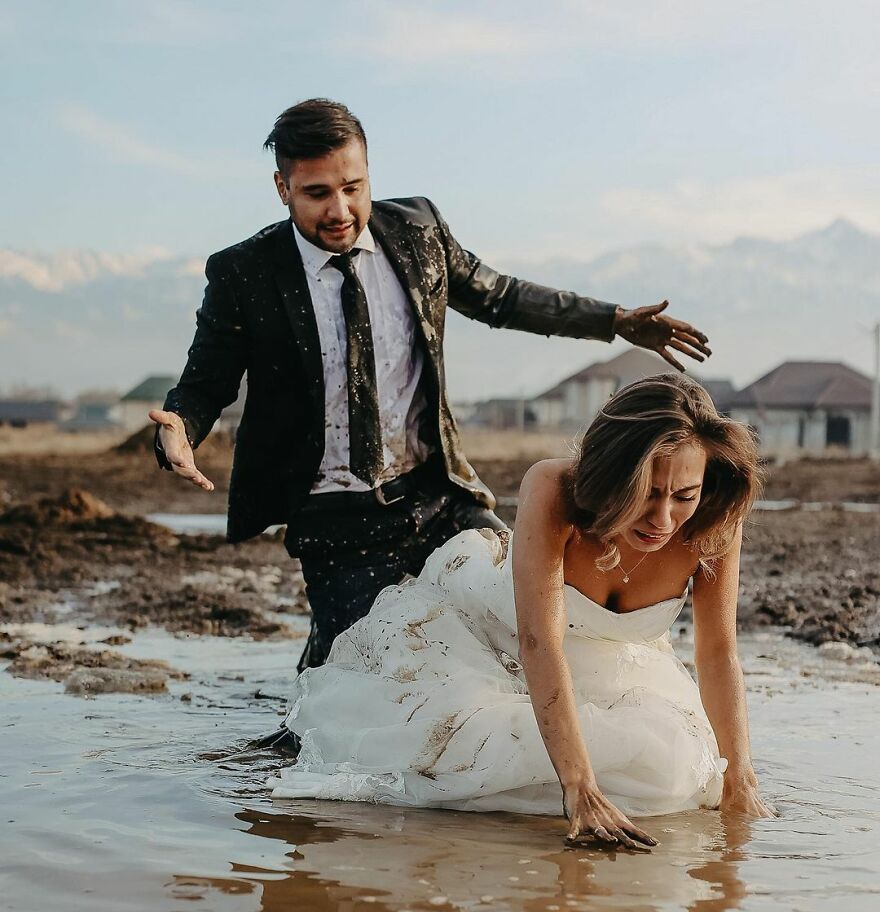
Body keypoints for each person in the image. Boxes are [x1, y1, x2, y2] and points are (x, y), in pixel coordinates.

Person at [149, 98, 711, 671]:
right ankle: (317, 683)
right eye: (317, 193)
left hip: (439, 496)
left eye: (353, 186)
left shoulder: (417, 231)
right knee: (360, 675)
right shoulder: (245, 273)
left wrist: (614, 321)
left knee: (533, 622)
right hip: (334, 518)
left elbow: (503, 297)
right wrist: (179, 428)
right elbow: (204, 381)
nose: (341, 209)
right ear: (281, 187)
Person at [270, 375, 775, 846]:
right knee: (455, 763)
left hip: (603, 665)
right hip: (487, 633)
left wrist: (741, 777)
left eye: (683, 495)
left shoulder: (713, 521)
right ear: (610, 477)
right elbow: (540, 639)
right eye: (645, 494)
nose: (663, 518)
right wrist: (578, 786)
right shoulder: (554, 487)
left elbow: (716, 652)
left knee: (674, 776)